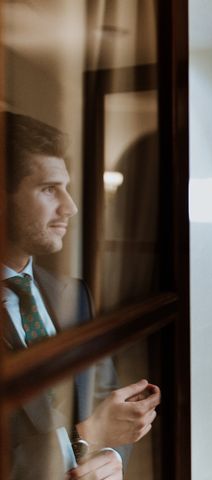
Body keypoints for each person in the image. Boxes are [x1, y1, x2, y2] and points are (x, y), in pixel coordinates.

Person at [2, 111, 161, 479]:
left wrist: (110, 455)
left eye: (66, 187)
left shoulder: (72, 293)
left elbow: (105, 400)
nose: (69, 206)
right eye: (48, 189)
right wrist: (87, 437)